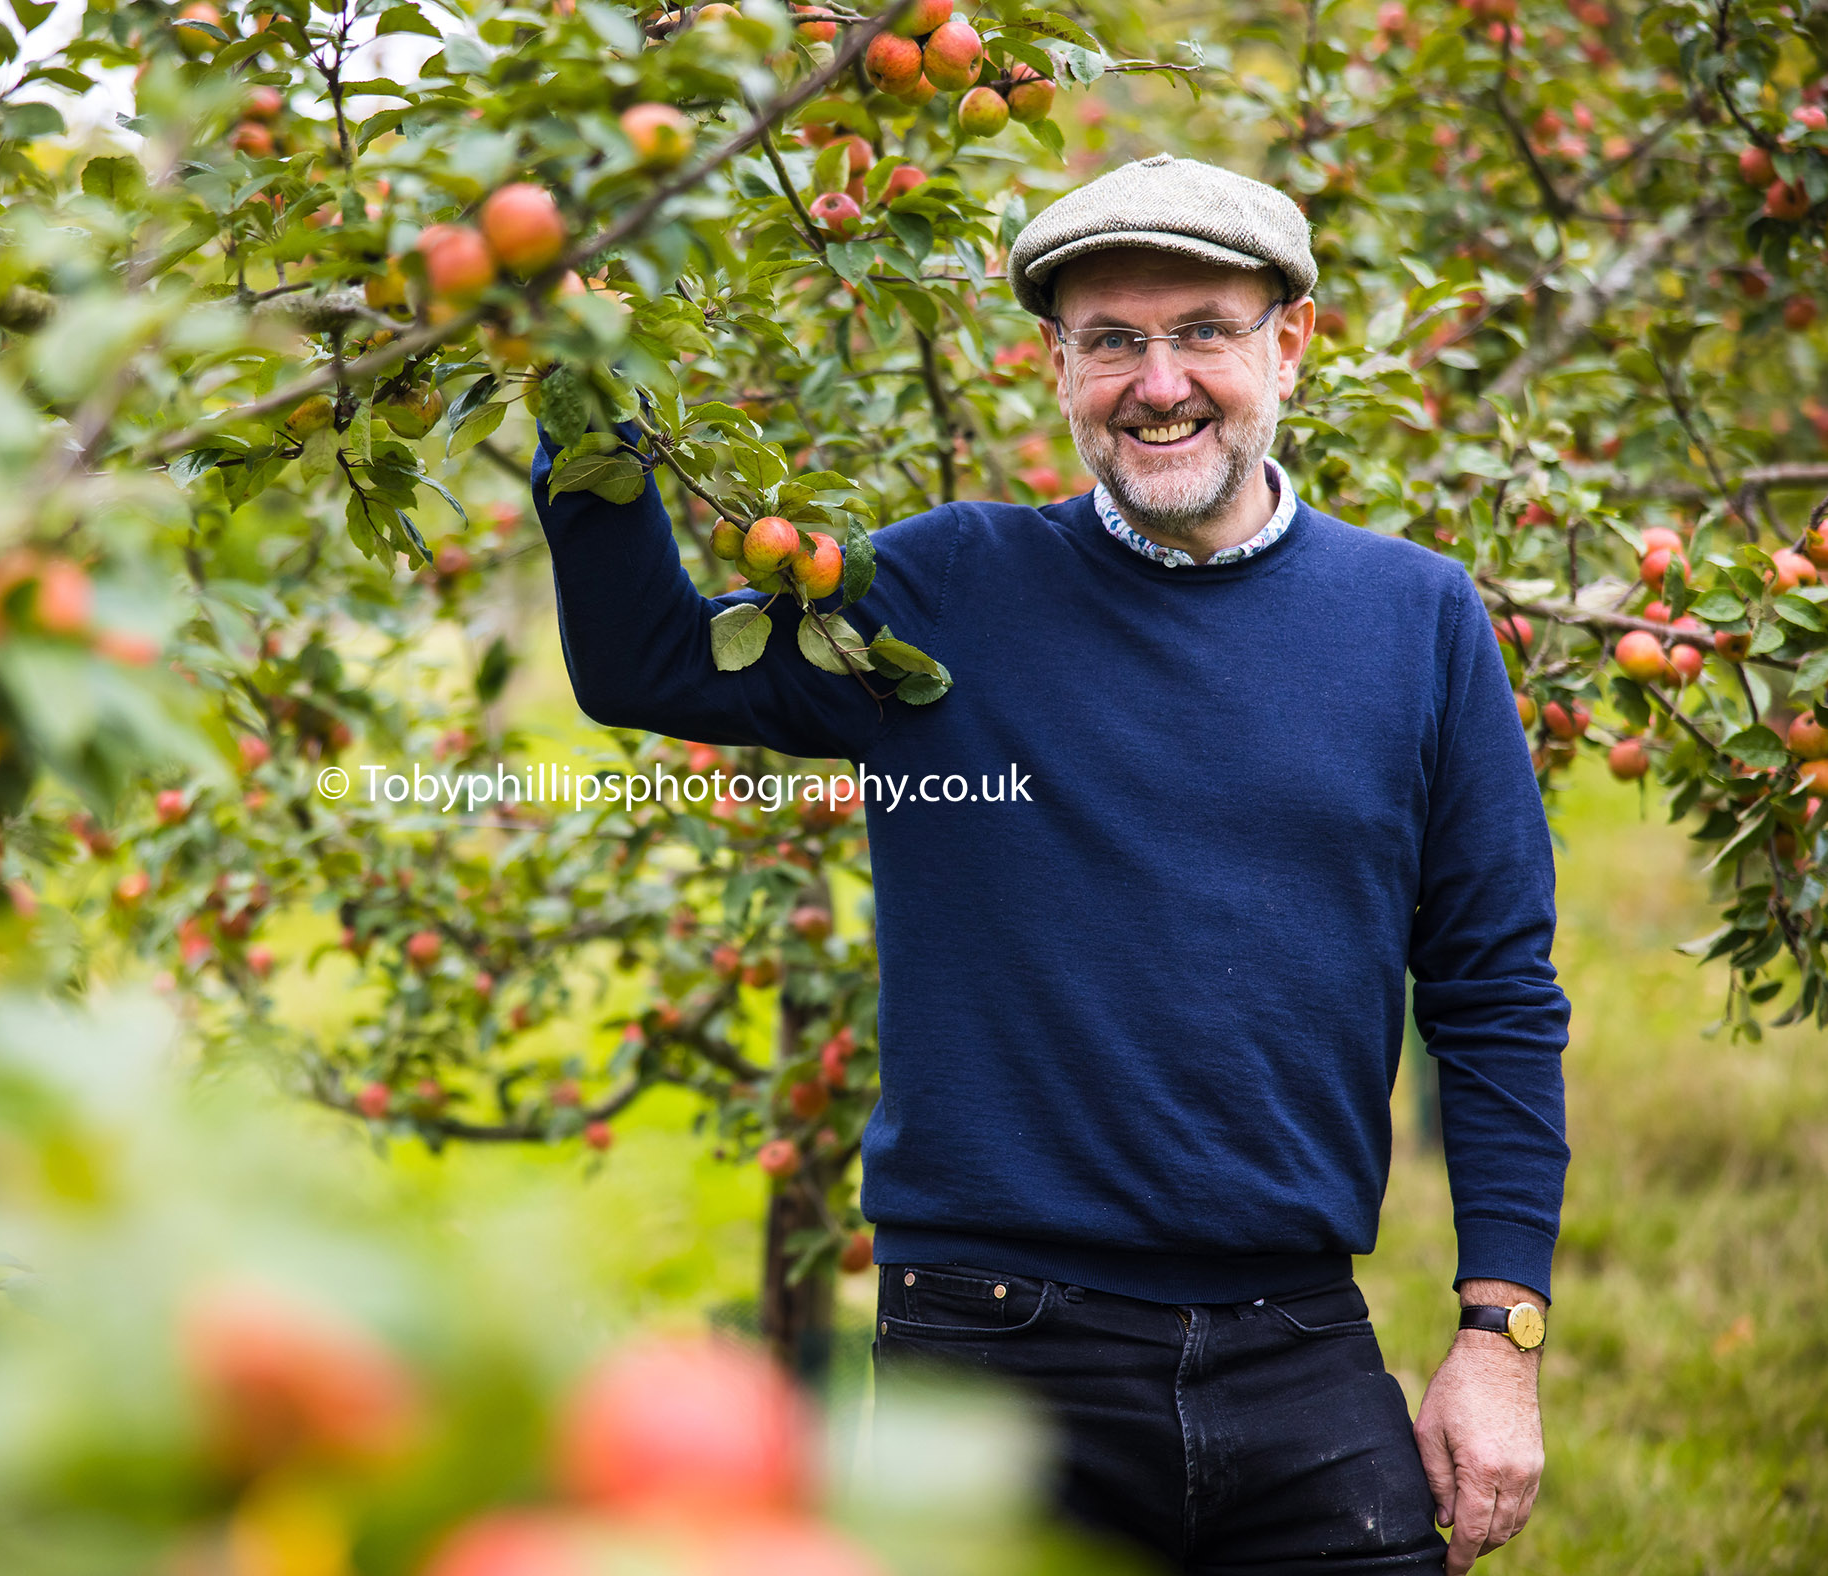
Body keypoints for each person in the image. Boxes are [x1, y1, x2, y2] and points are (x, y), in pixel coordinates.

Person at [528, 152, 1567, 1575]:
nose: (1158, 383)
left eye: (1201, 329)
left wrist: (1497, 1338)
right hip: (992, 1351)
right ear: (1054, 364)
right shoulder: (941, 593)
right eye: (1111, 341)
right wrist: (584, 380)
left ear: (1291, 339)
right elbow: (647, 660)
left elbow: (1493, 991)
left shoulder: (1414, 618)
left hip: (1300, 1343)